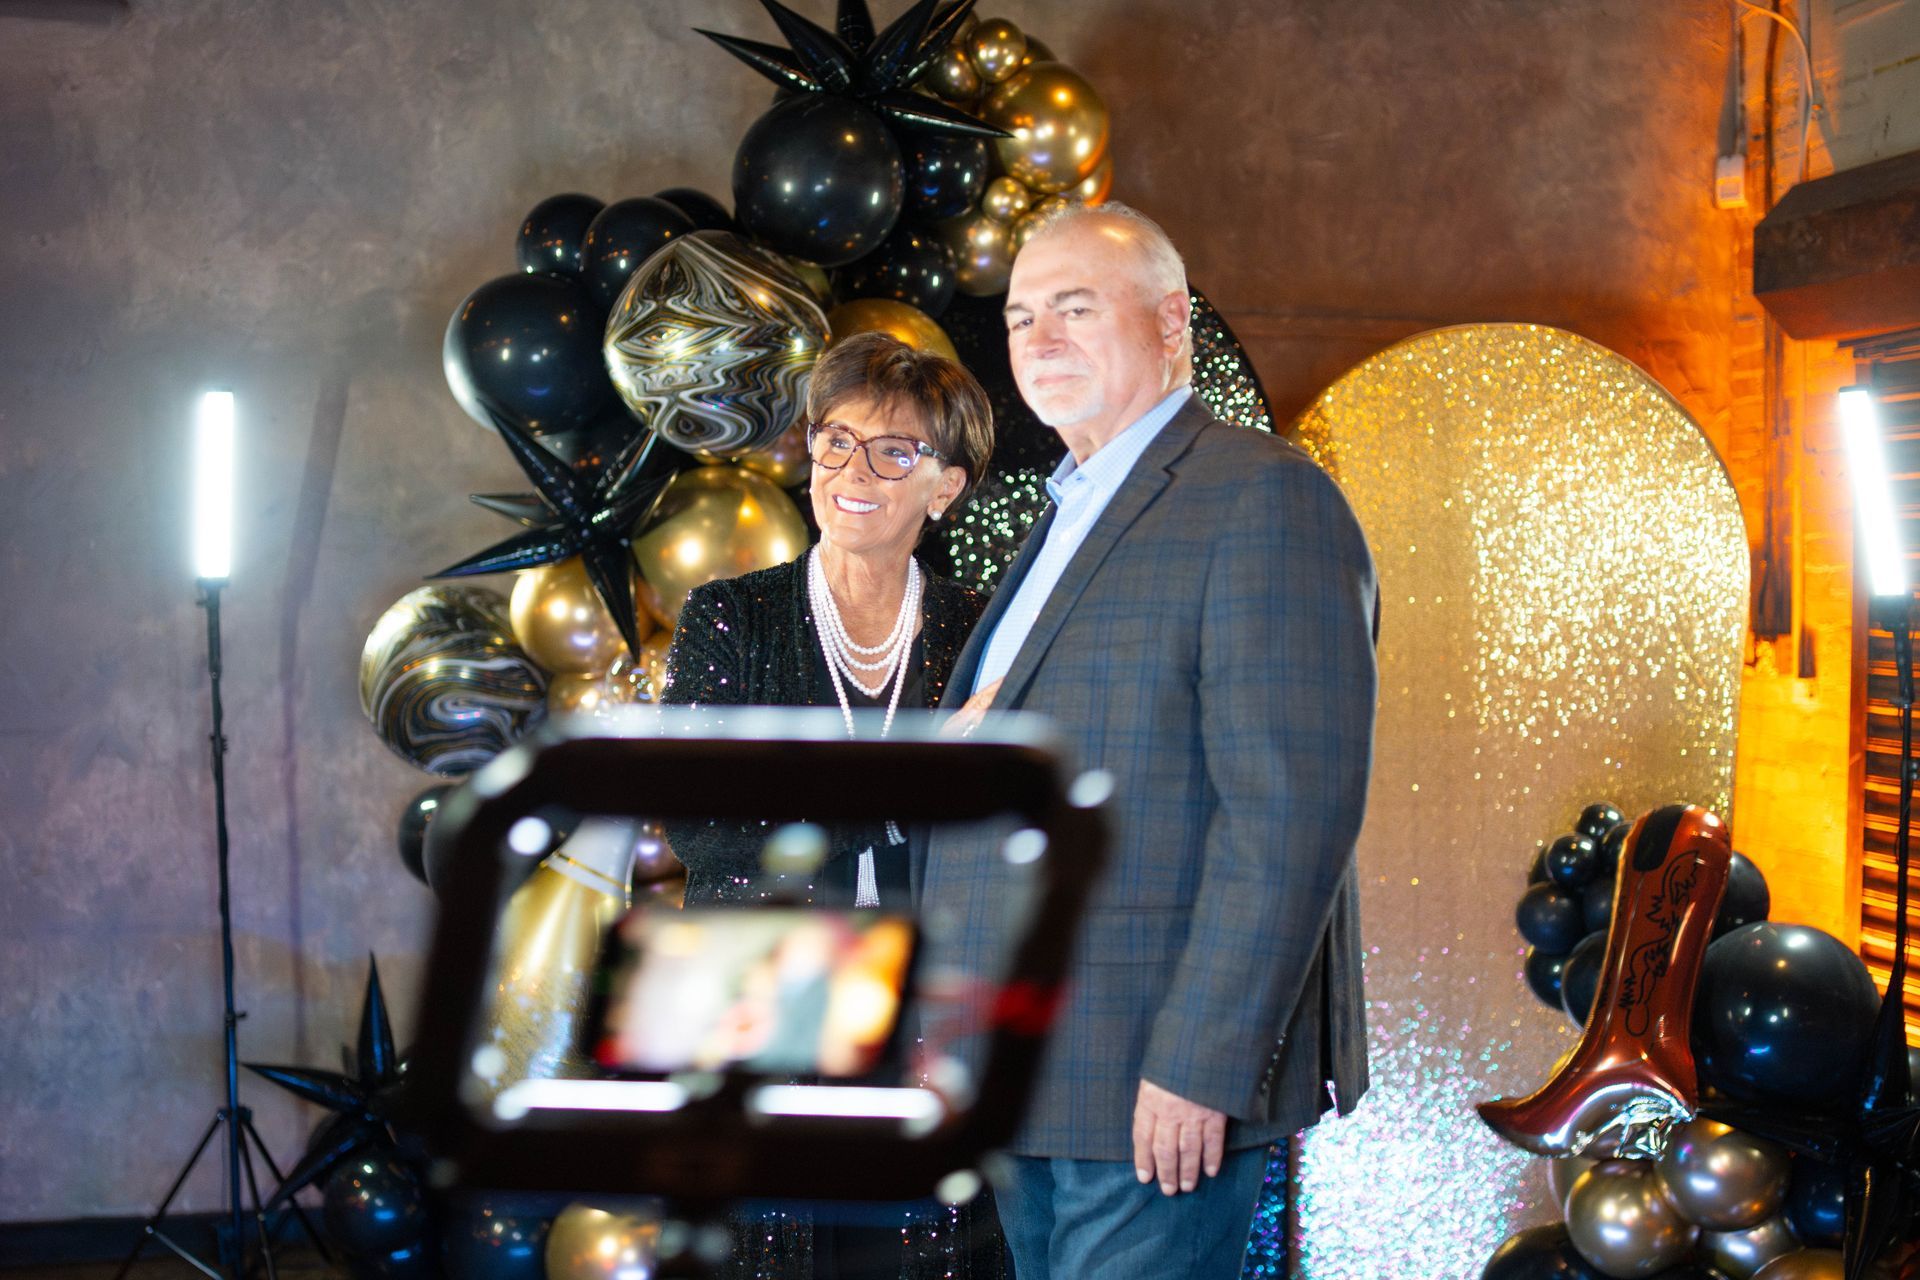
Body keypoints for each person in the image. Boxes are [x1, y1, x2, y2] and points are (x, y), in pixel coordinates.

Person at [919, 203, 1379, 1279]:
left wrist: (1201, 1062)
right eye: (1025, 316)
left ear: (1171, 322)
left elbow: (1291, 811)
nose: (1039, 339)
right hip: (1026, 1064)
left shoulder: (1262, 495)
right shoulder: (1066, 510)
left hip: (1149, 1076)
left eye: (1075, 308)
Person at [661, 330, 1003, 1280]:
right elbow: (698, 817)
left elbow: (1001, 832)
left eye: (895, 452)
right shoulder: (731, 615)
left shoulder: (981, 630)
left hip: (932, 1021)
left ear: (946, 487)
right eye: (836, 441)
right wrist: (912, 785)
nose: (854, 469)